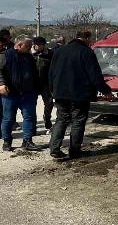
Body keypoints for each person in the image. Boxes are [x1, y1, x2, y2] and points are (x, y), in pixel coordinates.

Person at [48, 30, 113, 160]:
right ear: (87, 38)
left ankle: (54, 149)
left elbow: (51, 73)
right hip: (79, 94)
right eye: (90, 40)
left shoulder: (60, 51)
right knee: (78, 121)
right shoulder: (86, 52)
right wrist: (105, 90)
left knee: (61, 120)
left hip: (60, 93)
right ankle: (75, 151)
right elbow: (94, 75)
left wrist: (52, 90)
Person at [0, 37, 41, 151]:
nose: (30, 49)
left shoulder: (29, 57)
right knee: (8, 118)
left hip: (27, 94)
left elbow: (35, 74)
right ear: (19, 45)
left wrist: (36, 90)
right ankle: (7, 141)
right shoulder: (5, 55)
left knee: (29, 117)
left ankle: (27, 140)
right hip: (10, 94)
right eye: (28, 46)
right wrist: (1, 84)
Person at [32, 36, 54, 135]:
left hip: (46, 83)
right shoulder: (30, 54)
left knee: (49, 103)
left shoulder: (50, 54)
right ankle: (32, 126)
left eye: (40, 45)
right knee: (31, 105)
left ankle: (48, 122)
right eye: (36, 45)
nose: (38, 47)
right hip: (33, 84)